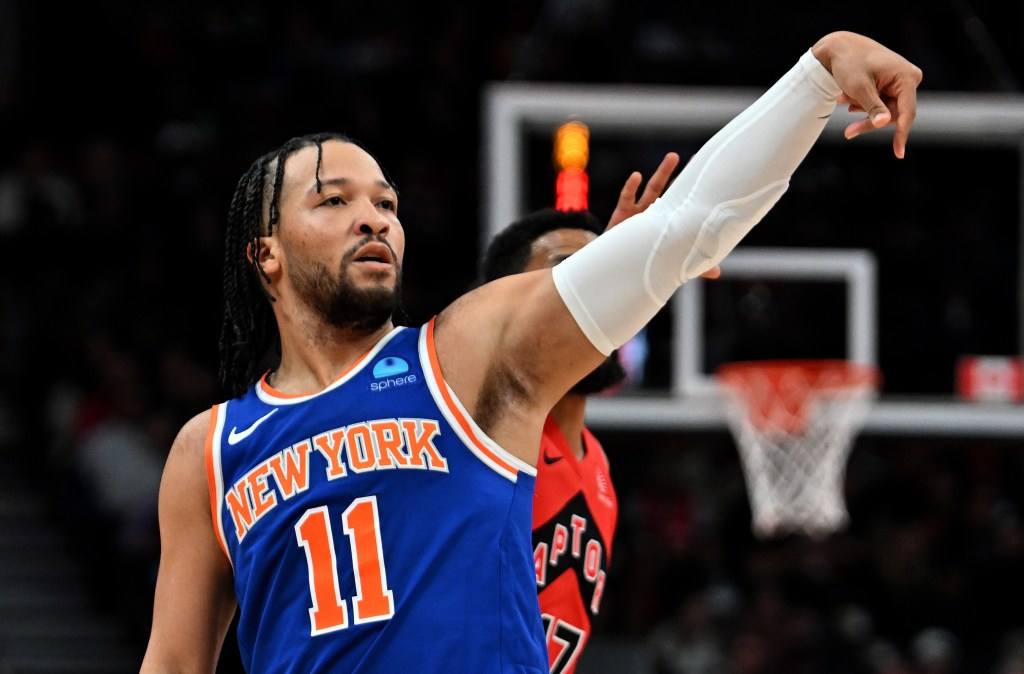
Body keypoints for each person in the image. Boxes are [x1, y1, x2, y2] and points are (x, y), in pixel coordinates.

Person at [141, 30, 922, 673]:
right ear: (266, 254)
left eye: (386, 202)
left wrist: (816, 78)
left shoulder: (463, 356)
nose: (373, 218)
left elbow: (688, 224)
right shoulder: (209, 449)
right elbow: (174, 664)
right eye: (333, 200)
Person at [479, 151, 725, 674]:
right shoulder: (481, 425)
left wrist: (632, 271)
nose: (593, 294)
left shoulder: (600, 469)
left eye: (598, 275)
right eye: (568, 275)